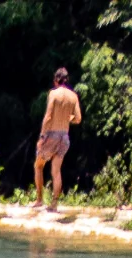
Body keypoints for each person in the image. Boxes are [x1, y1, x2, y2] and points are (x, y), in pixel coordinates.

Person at [34, 67, 81, 207]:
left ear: (56, 80)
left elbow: (48, 116)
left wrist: (42, 137)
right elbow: (78, 119)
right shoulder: (73, 96)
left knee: (38, 166)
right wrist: (67, 119)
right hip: (64, 137)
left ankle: (39, 200)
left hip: (52, 135)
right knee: (56, 171)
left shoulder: (53, 94)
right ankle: (54, 203)